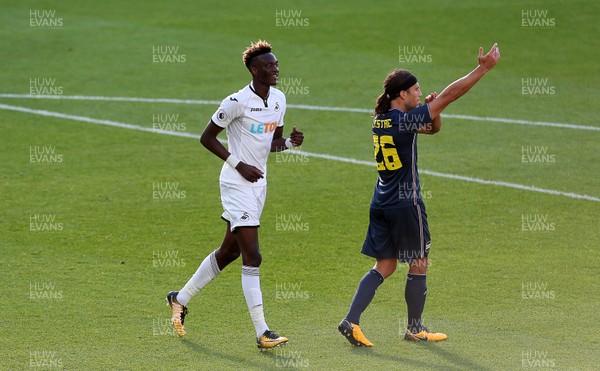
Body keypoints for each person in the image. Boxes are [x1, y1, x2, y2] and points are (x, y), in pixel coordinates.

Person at [338, 43, 500, 346]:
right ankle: (415, 327)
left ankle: (351, 320)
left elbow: (432, 130)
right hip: (405, 203)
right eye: (415, 90)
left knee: (384, 266)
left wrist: (431, 111)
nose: (418, 93)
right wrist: (483, 68)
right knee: (419, 261)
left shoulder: (381, 120)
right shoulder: (404, 120)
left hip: (381, 202)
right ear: (402, 95)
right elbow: (451, 95)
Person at [166, 40, 304, 350]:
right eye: (269, 66)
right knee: (253, 256)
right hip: (235, 183)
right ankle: (262, 332)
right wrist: (237, 164)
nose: (276, 69)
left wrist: (292, 143)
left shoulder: (279, 99)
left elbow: (273, 141)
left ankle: (179, 298)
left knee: (229, 252)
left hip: (258, 185)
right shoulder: (236, 102)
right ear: (255, 70)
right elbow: (206, 138)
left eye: (277, 64)